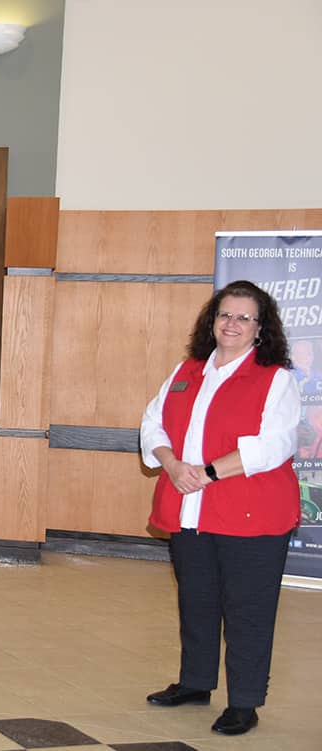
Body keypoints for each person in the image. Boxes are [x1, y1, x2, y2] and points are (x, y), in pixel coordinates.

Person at [140, 280, 299, 736]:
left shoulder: (276, 378)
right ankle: (195, 682)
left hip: (251, 516)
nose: (232, 324)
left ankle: (244, 701)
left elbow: (274, 444)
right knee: (197, 600)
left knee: (247, 609)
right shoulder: (187, 369)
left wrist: (205, 473)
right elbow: (153, 422)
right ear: (212, 321)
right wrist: (170, 463)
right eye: (225, 315)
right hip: (190, 511)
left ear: (260, 329)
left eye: (244, 318)